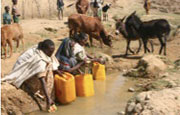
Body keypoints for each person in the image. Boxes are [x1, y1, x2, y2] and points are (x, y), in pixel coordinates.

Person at [1, 39, 62, 112]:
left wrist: (58, 71)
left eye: (53, 51)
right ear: (44, 49)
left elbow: (52, 61)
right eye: (50, 51)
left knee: (49, 68)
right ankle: (43, 95)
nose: (52, 53)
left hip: (32, 70)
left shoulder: (44, 51)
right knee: (47, 74)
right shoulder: (39, 61)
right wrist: (48, 98)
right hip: (26, 75)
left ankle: (48, 96)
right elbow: (42, 80)